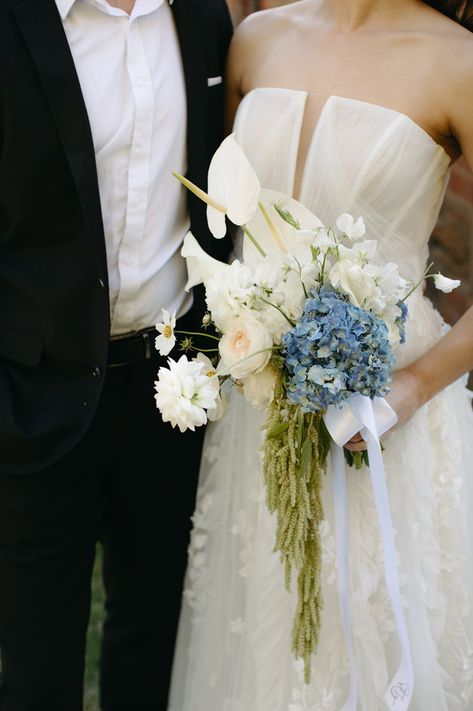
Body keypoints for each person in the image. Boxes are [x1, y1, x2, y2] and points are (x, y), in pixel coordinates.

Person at [167, 1, 473, 709]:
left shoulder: (456, 61)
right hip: (257, 412)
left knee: (365, 633)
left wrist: (412, 387)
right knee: (258, 628)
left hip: (384, 419)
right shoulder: (253, 40)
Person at [0, 0, 232, 709]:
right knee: (38, 665)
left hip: (174, 385)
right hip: (33, 390)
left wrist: (210, 349)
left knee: (154, 636)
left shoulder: (201, 16)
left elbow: (216, 200)